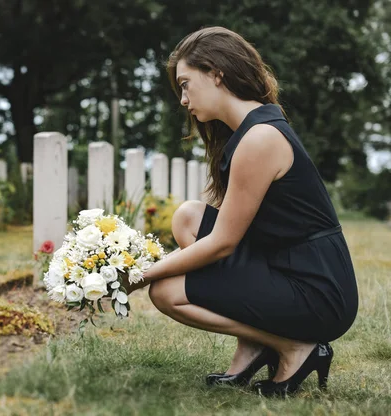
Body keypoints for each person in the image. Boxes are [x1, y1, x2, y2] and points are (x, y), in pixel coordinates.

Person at [126, 26, 359, 397]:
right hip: (283, 265)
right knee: (188, 216)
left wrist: (139, 275)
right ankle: (255, 345)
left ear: (216, 74)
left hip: (318, 291)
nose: (183, 99)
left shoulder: (260, 138)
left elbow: (222, 244)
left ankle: (294, 347)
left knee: (165, 291)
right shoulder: (247, 131)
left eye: (186, 84)